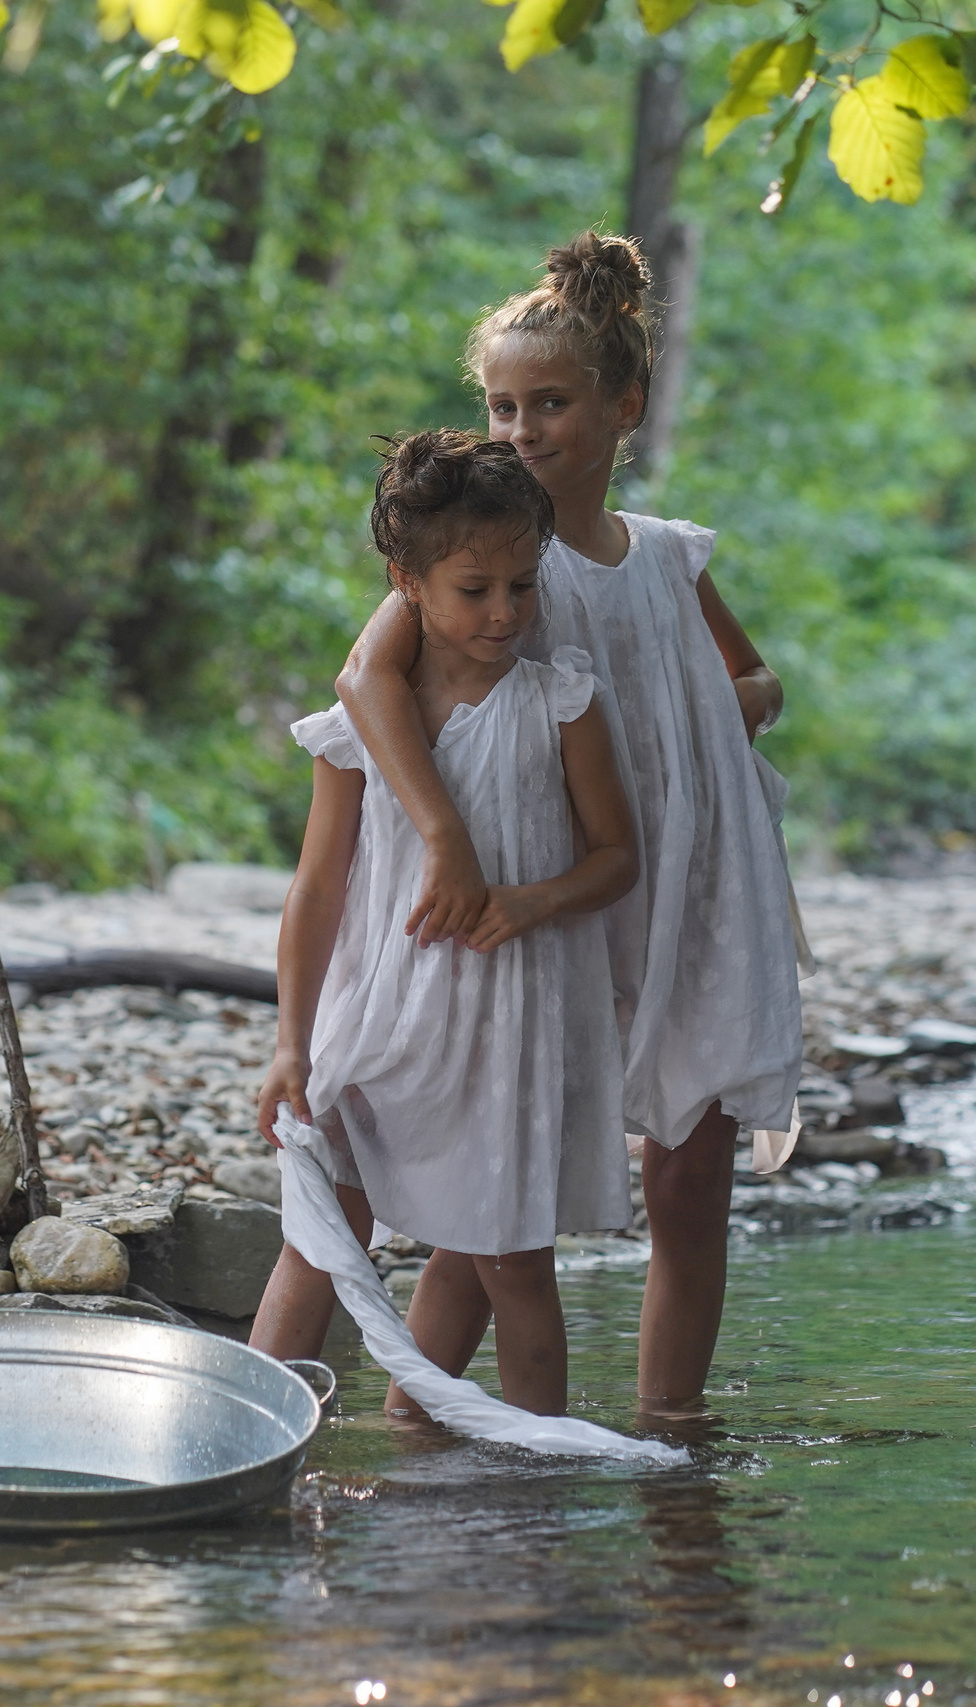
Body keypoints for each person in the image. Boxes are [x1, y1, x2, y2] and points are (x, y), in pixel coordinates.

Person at [334, 231, 804, 1417]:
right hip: (553, 886)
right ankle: (421, 1422)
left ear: (621, 405)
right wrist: (444, 837)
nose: (520, 430)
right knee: (505, 1181)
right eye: (501, 407)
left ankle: (670, 1438)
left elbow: (756, 682)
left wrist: (713, 716)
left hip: (689, 881)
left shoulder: (667, 558)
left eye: (548, 403)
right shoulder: (494, 563)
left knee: (690, 1178)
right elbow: (362, 684)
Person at [249, 429, 638, 1419]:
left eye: (523, 585)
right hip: (376, 1015)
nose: (505, 611)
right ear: (406, 583)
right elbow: (316, 891)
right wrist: (291, 1044)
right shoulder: (355, 731)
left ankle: (528, 1476)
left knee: (512, 1263)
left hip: (503, 1030)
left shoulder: (559, 703)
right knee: (320, 1233)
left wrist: (528, 901)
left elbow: (615, 857)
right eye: (475, 590)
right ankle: (241, 1440)